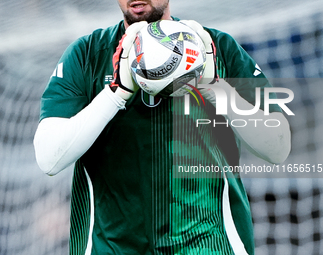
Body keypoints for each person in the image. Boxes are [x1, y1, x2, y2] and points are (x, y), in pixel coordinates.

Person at [33, 0, 291, 254]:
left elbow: (278, 148)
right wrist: (115, 94)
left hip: (209, 244)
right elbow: (49, 160)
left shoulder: (217, 47)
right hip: (111, 247)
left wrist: (215, 87)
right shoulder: (87, 54)